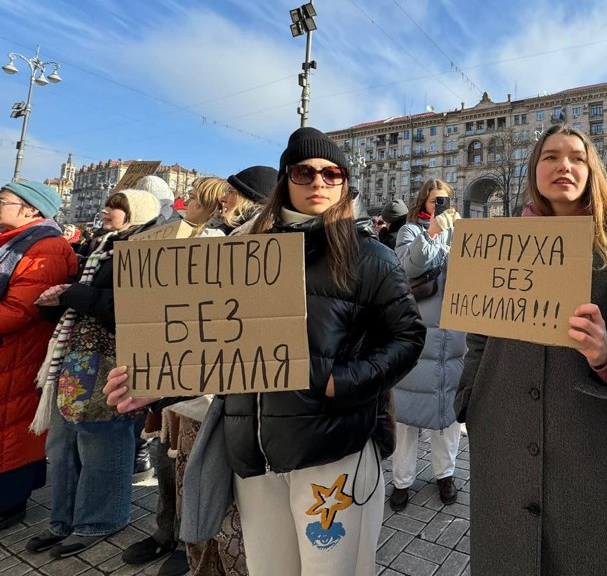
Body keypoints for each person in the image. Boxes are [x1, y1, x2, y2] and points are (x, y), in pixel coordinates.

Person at [105, 127, 426, 576]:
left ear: (345, 183)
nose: (319, 182)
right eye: (304, 171)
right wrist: (156, 384)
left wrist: (344, 380)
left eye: (332, 173)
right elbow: (213, 345)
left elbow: (408, 337)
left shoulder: (369, 256)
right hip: (254, 453)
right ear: (285, 179)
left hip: (330, 452)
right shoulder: (240, 254)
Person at [456, 124, 607, 575]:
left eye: (577, 157)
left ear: (591, 169)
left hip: (588, 441)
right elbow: (478, 335)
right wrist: (468, 398)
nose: (564, 165)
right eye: (551, 157)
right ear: (534, 170)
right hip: (501, 427)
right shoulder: (499, 243)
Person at [26, 189, 161, 558]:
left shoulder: (144, 250)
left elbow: (136, 308)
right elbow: (80, 301)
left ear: (139, 213)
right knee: (64, 443)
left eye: (117, 207)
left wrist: (74, 295)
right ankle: (63, 521)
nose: (106, 210)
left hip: (112, 361)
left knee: (103, 441)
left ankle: (100, 520)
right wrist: (56, 303)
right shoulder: (98, 247)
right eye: (108, 204)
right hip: (75, 357)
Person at [122, 176, 232, 576]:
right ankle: (167, 531)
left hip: (201, 381)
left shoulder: (219, 244)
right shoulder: (173, 236)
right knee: (167, 460)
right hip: (169, 376)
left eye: (194, 199)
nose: (184, 205)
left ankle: (191, 541)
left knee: (192, 466)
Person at [0, 182, 77, 531]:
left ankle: (9, 504)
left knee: (12, 427)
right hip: (10, 351)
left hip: (20, 351)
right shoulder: (17, 240)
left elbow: (20, 308)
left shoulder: (45, 247)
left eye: (4, 200)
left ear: (31, 209)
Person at [388, 180, 465, 512]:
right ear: (424, 203)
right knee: (406, 418)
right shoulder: (409, 232)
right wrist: (433, 231)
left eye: (446, 201)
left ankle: (444, 474)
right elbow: (409, 267)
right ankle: (402, 481)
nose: (442, 207)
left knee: (448, 418)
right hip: (418, 339)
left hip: (453, 338)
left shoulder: (461, 233)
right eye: (436, 201)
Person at [220, 165, 278, 233]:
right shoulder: (241, 228)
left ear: (244, 198)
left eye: (230, 191)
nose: (222, 198)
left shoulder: (255, 232)